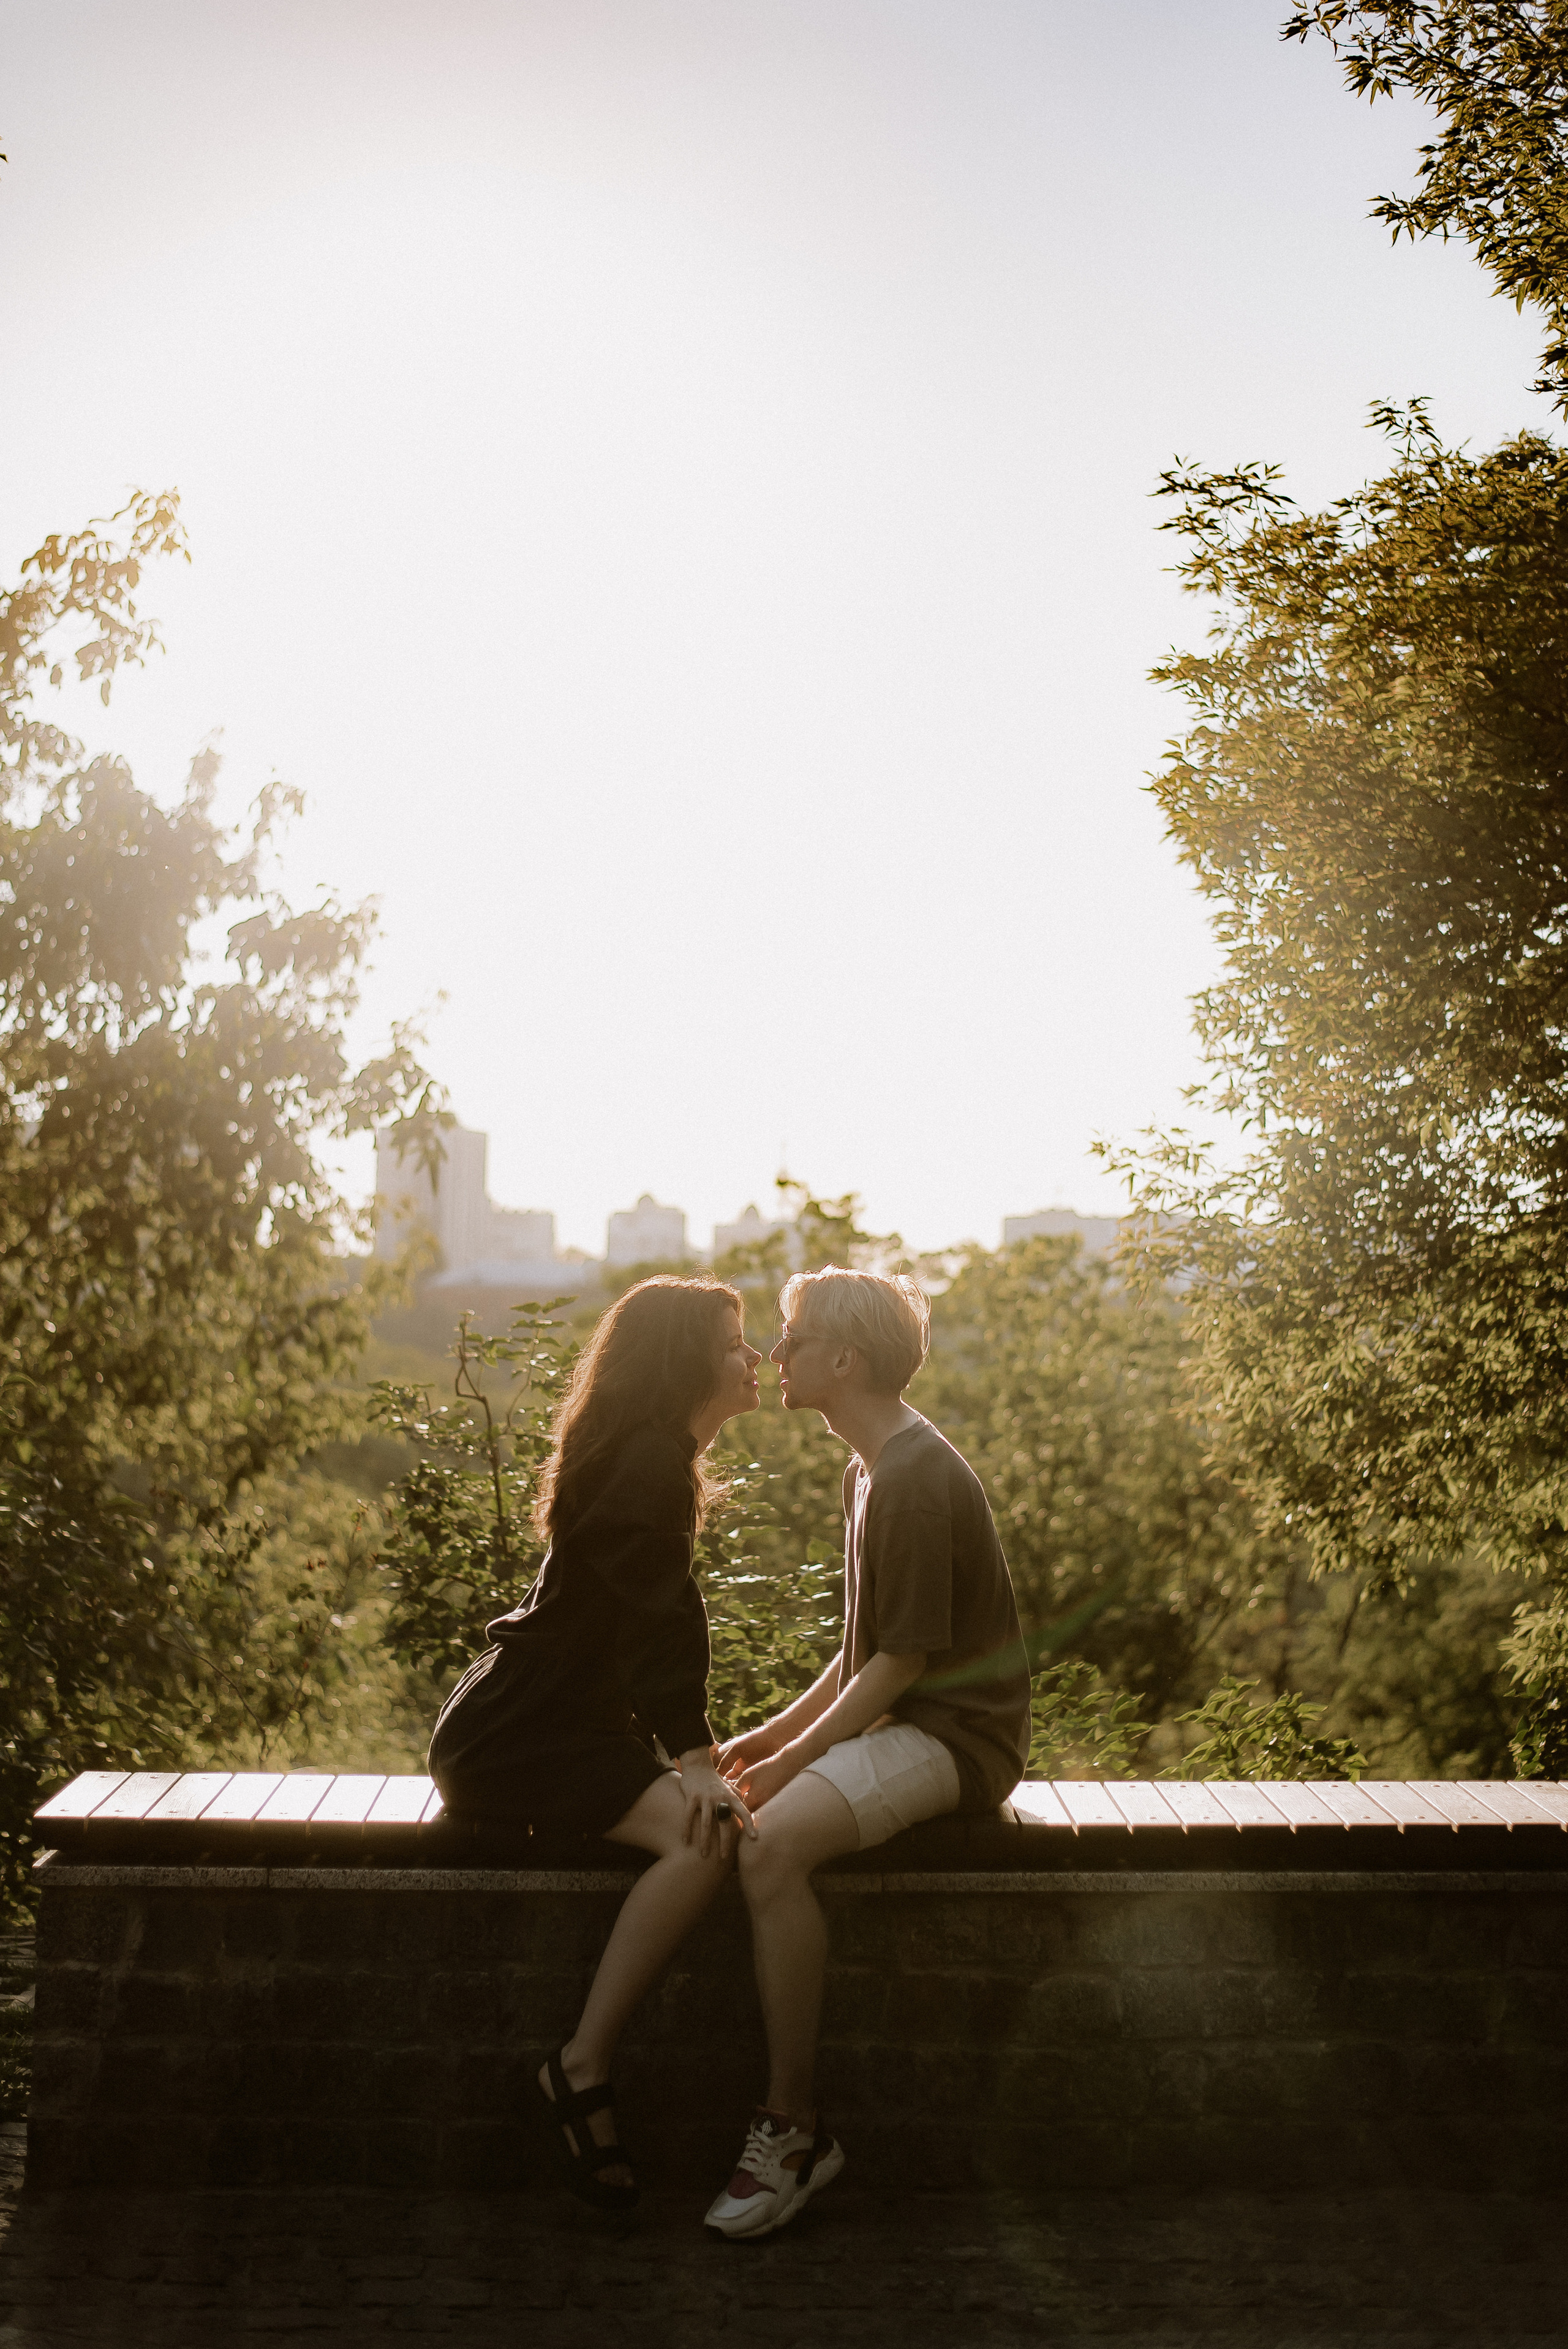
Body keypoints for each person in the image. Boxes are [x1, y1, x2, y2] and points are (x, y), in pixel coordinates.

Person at [706, 1266, 1031, 2241]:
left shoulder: (914, 1479)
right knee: (757, 1817)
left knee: (768, 1846)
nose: (776, 1353)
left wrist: (790, 1764)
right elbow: (861, 1654)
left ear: (844, 1359)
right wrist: (764, 1738)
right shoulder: (869, 1469)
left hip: (958, 1739)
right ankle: (793, 2126)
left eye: (794, 1337)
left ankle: (792, 2130)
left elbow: (902, 1664)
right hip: (906, 1720)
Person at [428, 1274, 763, 2212]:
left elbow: (649, 1618)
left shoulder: (654, 1457)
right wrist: (693, 1762)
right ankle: (580, 2066)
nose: (754, 1357)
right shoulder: (649, 1463)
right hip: (521, 1736)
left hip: (544, 1726)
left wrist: (687, 1756)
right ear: (686, 1360)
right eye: (733, 1342)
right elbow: (660, 1620)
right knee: (704, 1840)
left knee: (706, 1829)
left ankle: (582, 2065)